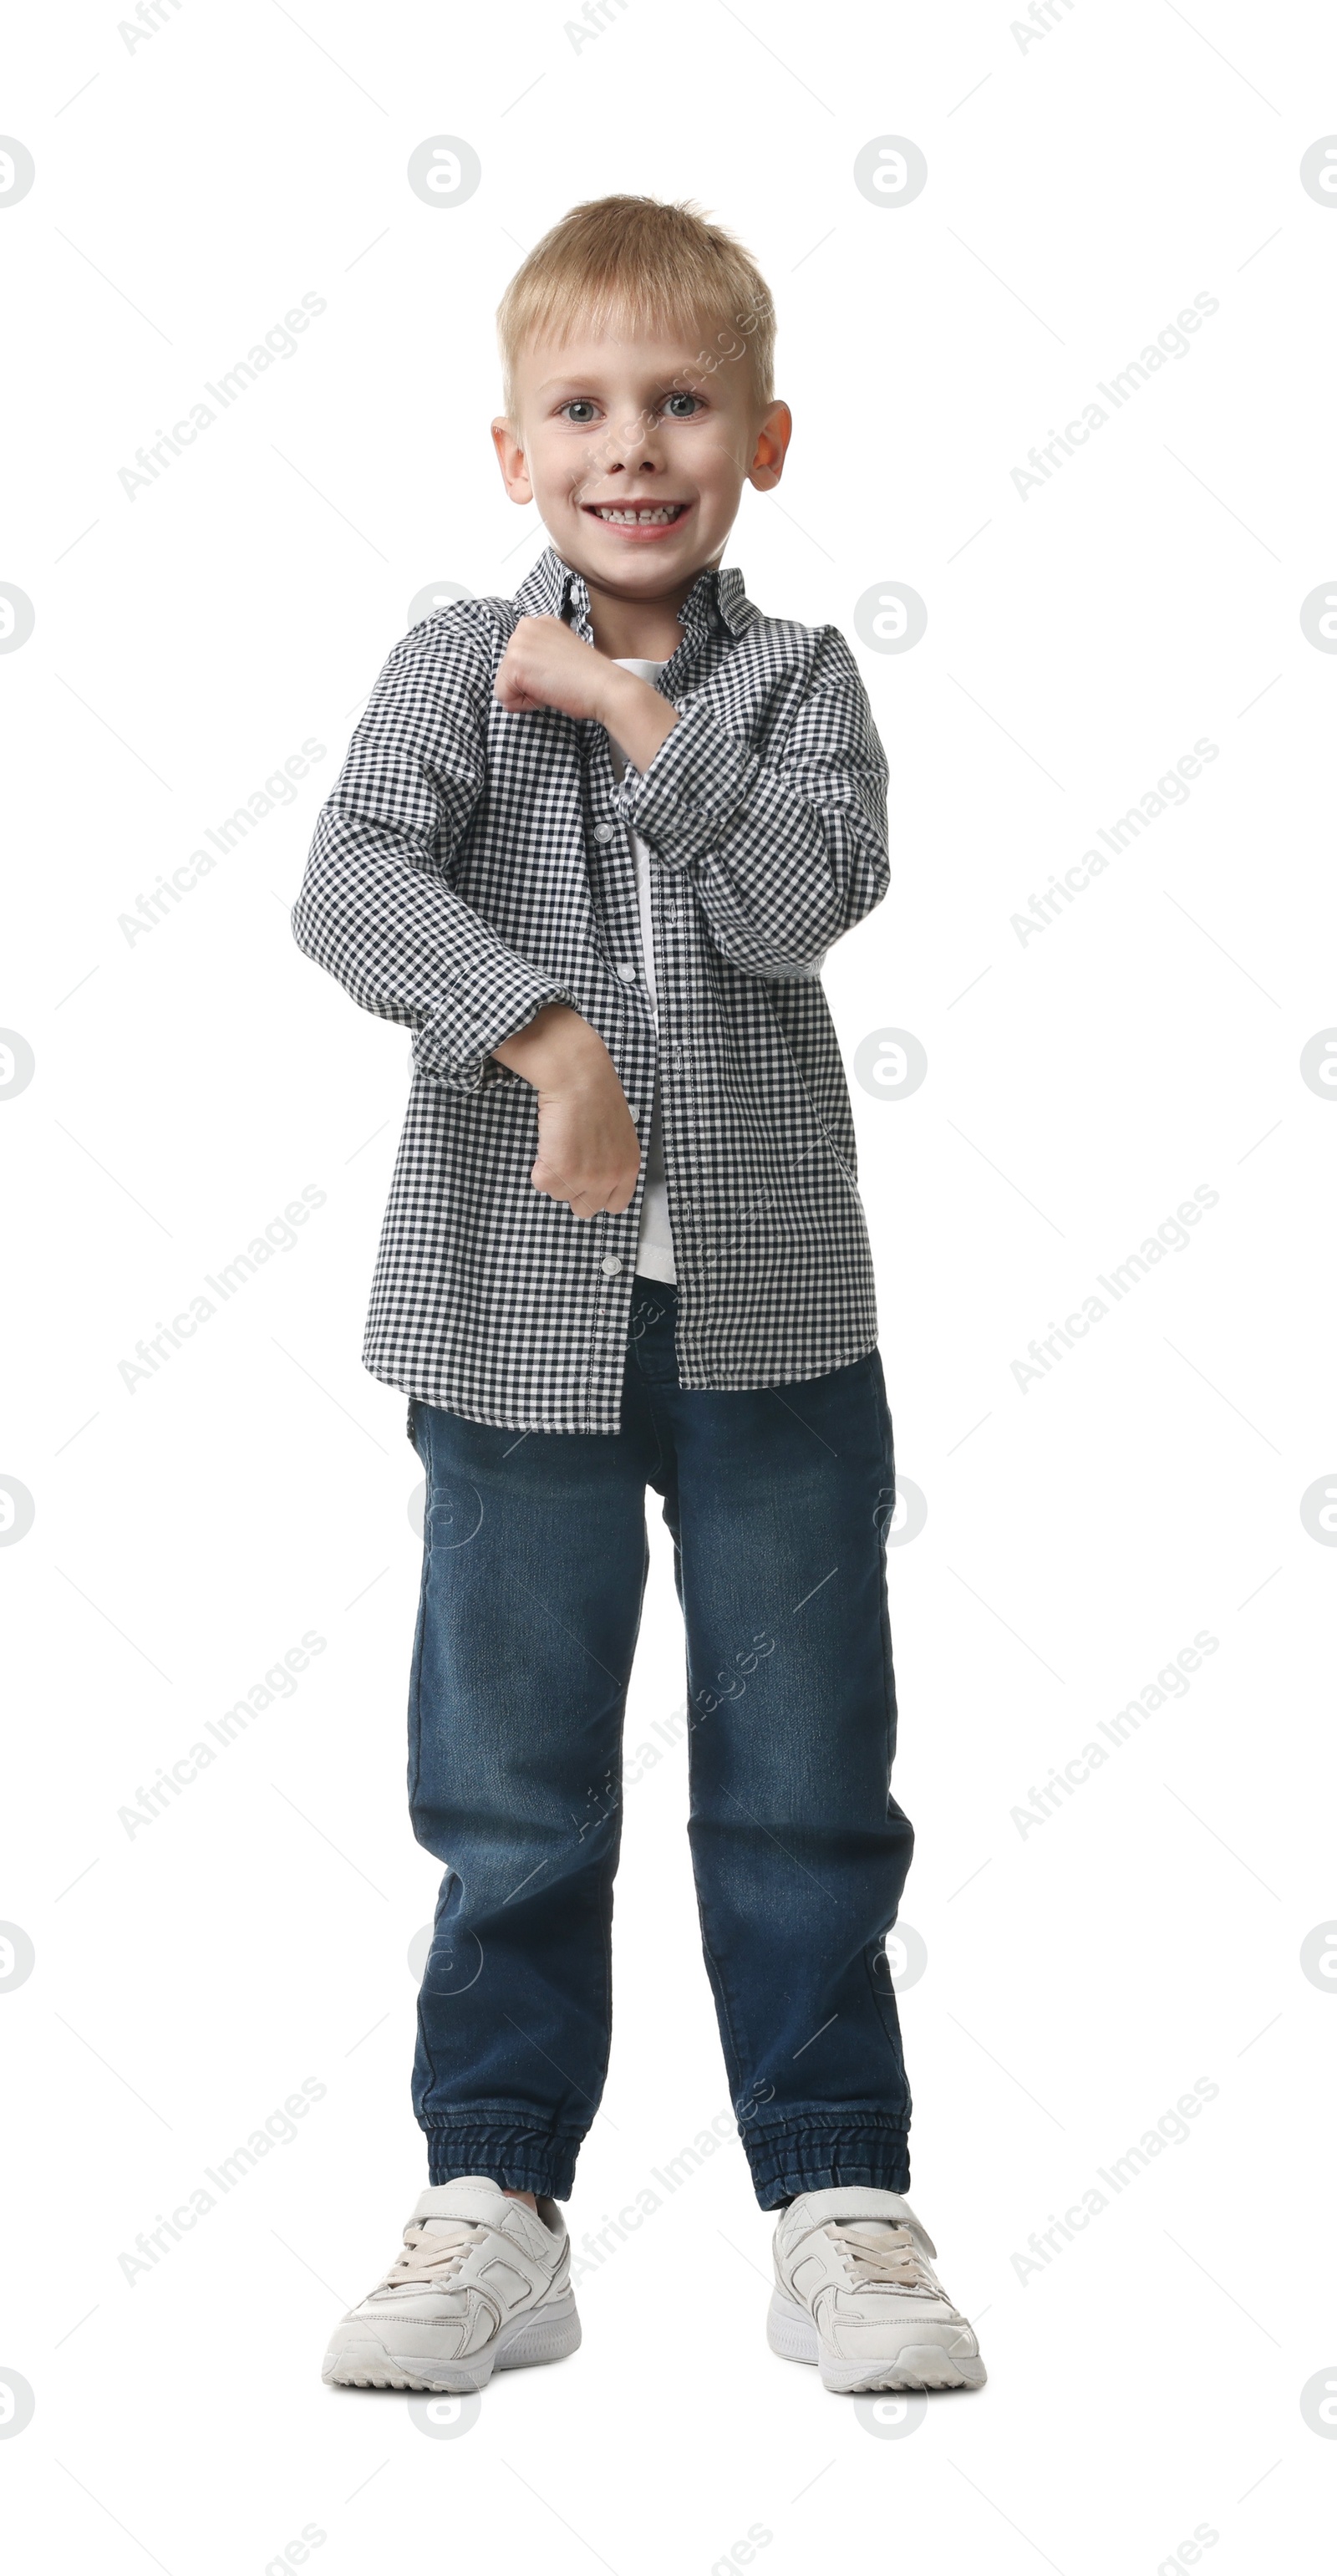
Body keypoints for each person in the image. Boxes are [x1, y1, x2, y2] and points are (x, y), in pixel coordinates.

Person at [291, 192, 985, 2401]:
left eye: (680, 403)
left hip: (777, 1322)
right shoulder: (441, 676)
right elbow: (350, 890)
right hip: (514, 1322)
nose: (631, 445)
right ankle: (495, 2188)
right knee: (512, 1781)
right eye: (580, 407)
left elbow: (794, 906)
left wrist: (617, 702)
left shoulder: (798, 685)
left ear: (762, 438)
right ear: (509, 452)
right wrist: (547, 1037)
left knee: (802, 1772)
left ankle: (837, 2193)